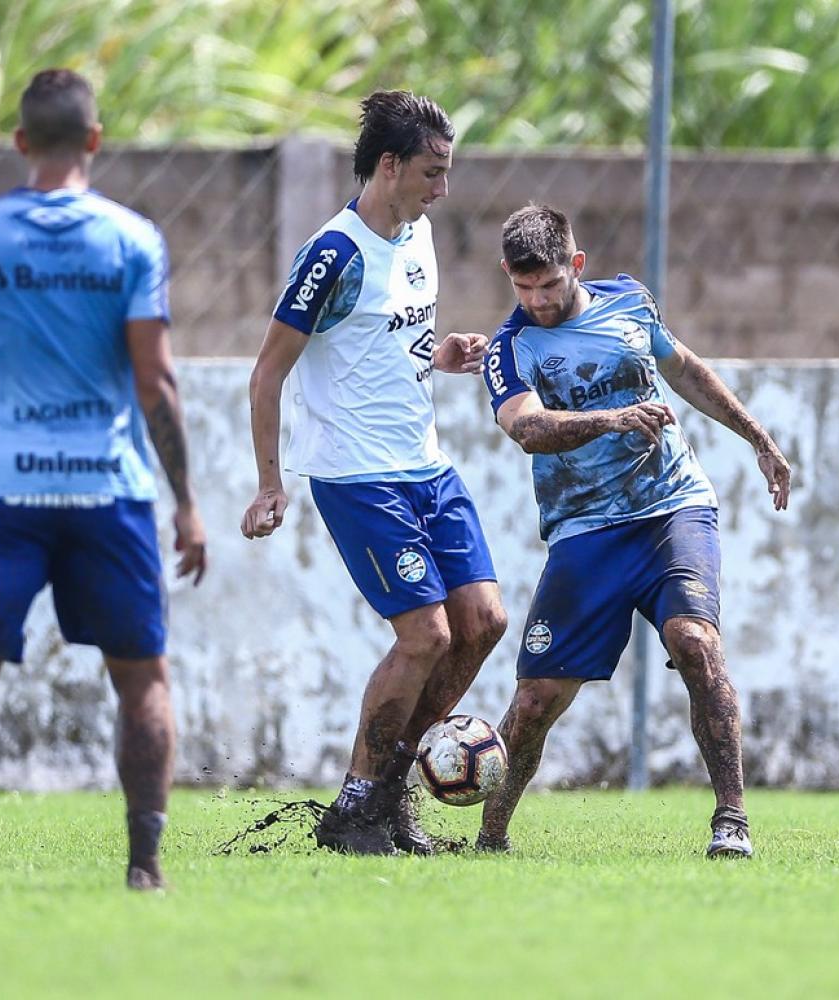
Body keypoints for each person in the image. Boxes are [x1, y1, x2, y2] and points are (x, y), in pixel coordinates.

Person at [0, 68, 205, 892]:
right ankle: (145, 865)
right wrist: (186, 502)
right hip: (108, 489)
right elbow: (156, 382)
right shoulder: (132, 239)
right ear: (95, 142)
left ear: (22, 142)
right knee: (141, 677)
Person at [474, 204, 792, 859]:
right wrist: (613, 419)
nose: (536, 300)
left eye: (549, 286)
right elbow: (528, 431)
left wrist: (757, 438)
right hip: (585, 532)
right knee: (536, 700)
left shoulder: (628, 302)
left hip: (671, 508)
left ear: (576, 266)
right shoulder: (508, 350)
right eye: (522, 287)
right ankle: (491, 835)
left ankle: (731, 819)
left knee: (695, 643)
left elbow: (686, 371)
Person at [241, 91, 508, 856]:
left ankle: (393, 792)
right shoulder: (334, 254)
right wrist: (270, 483)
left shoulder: (417, 234)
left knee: (483, 622)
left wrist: (443, 357)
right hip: (359, 476)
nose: (442, 189)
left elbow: (390, 345)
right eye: (432, 172)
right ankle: (359, 805)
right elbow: (267, 375)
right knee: (424, 635)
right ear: (388, 166)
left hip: (427, 464)